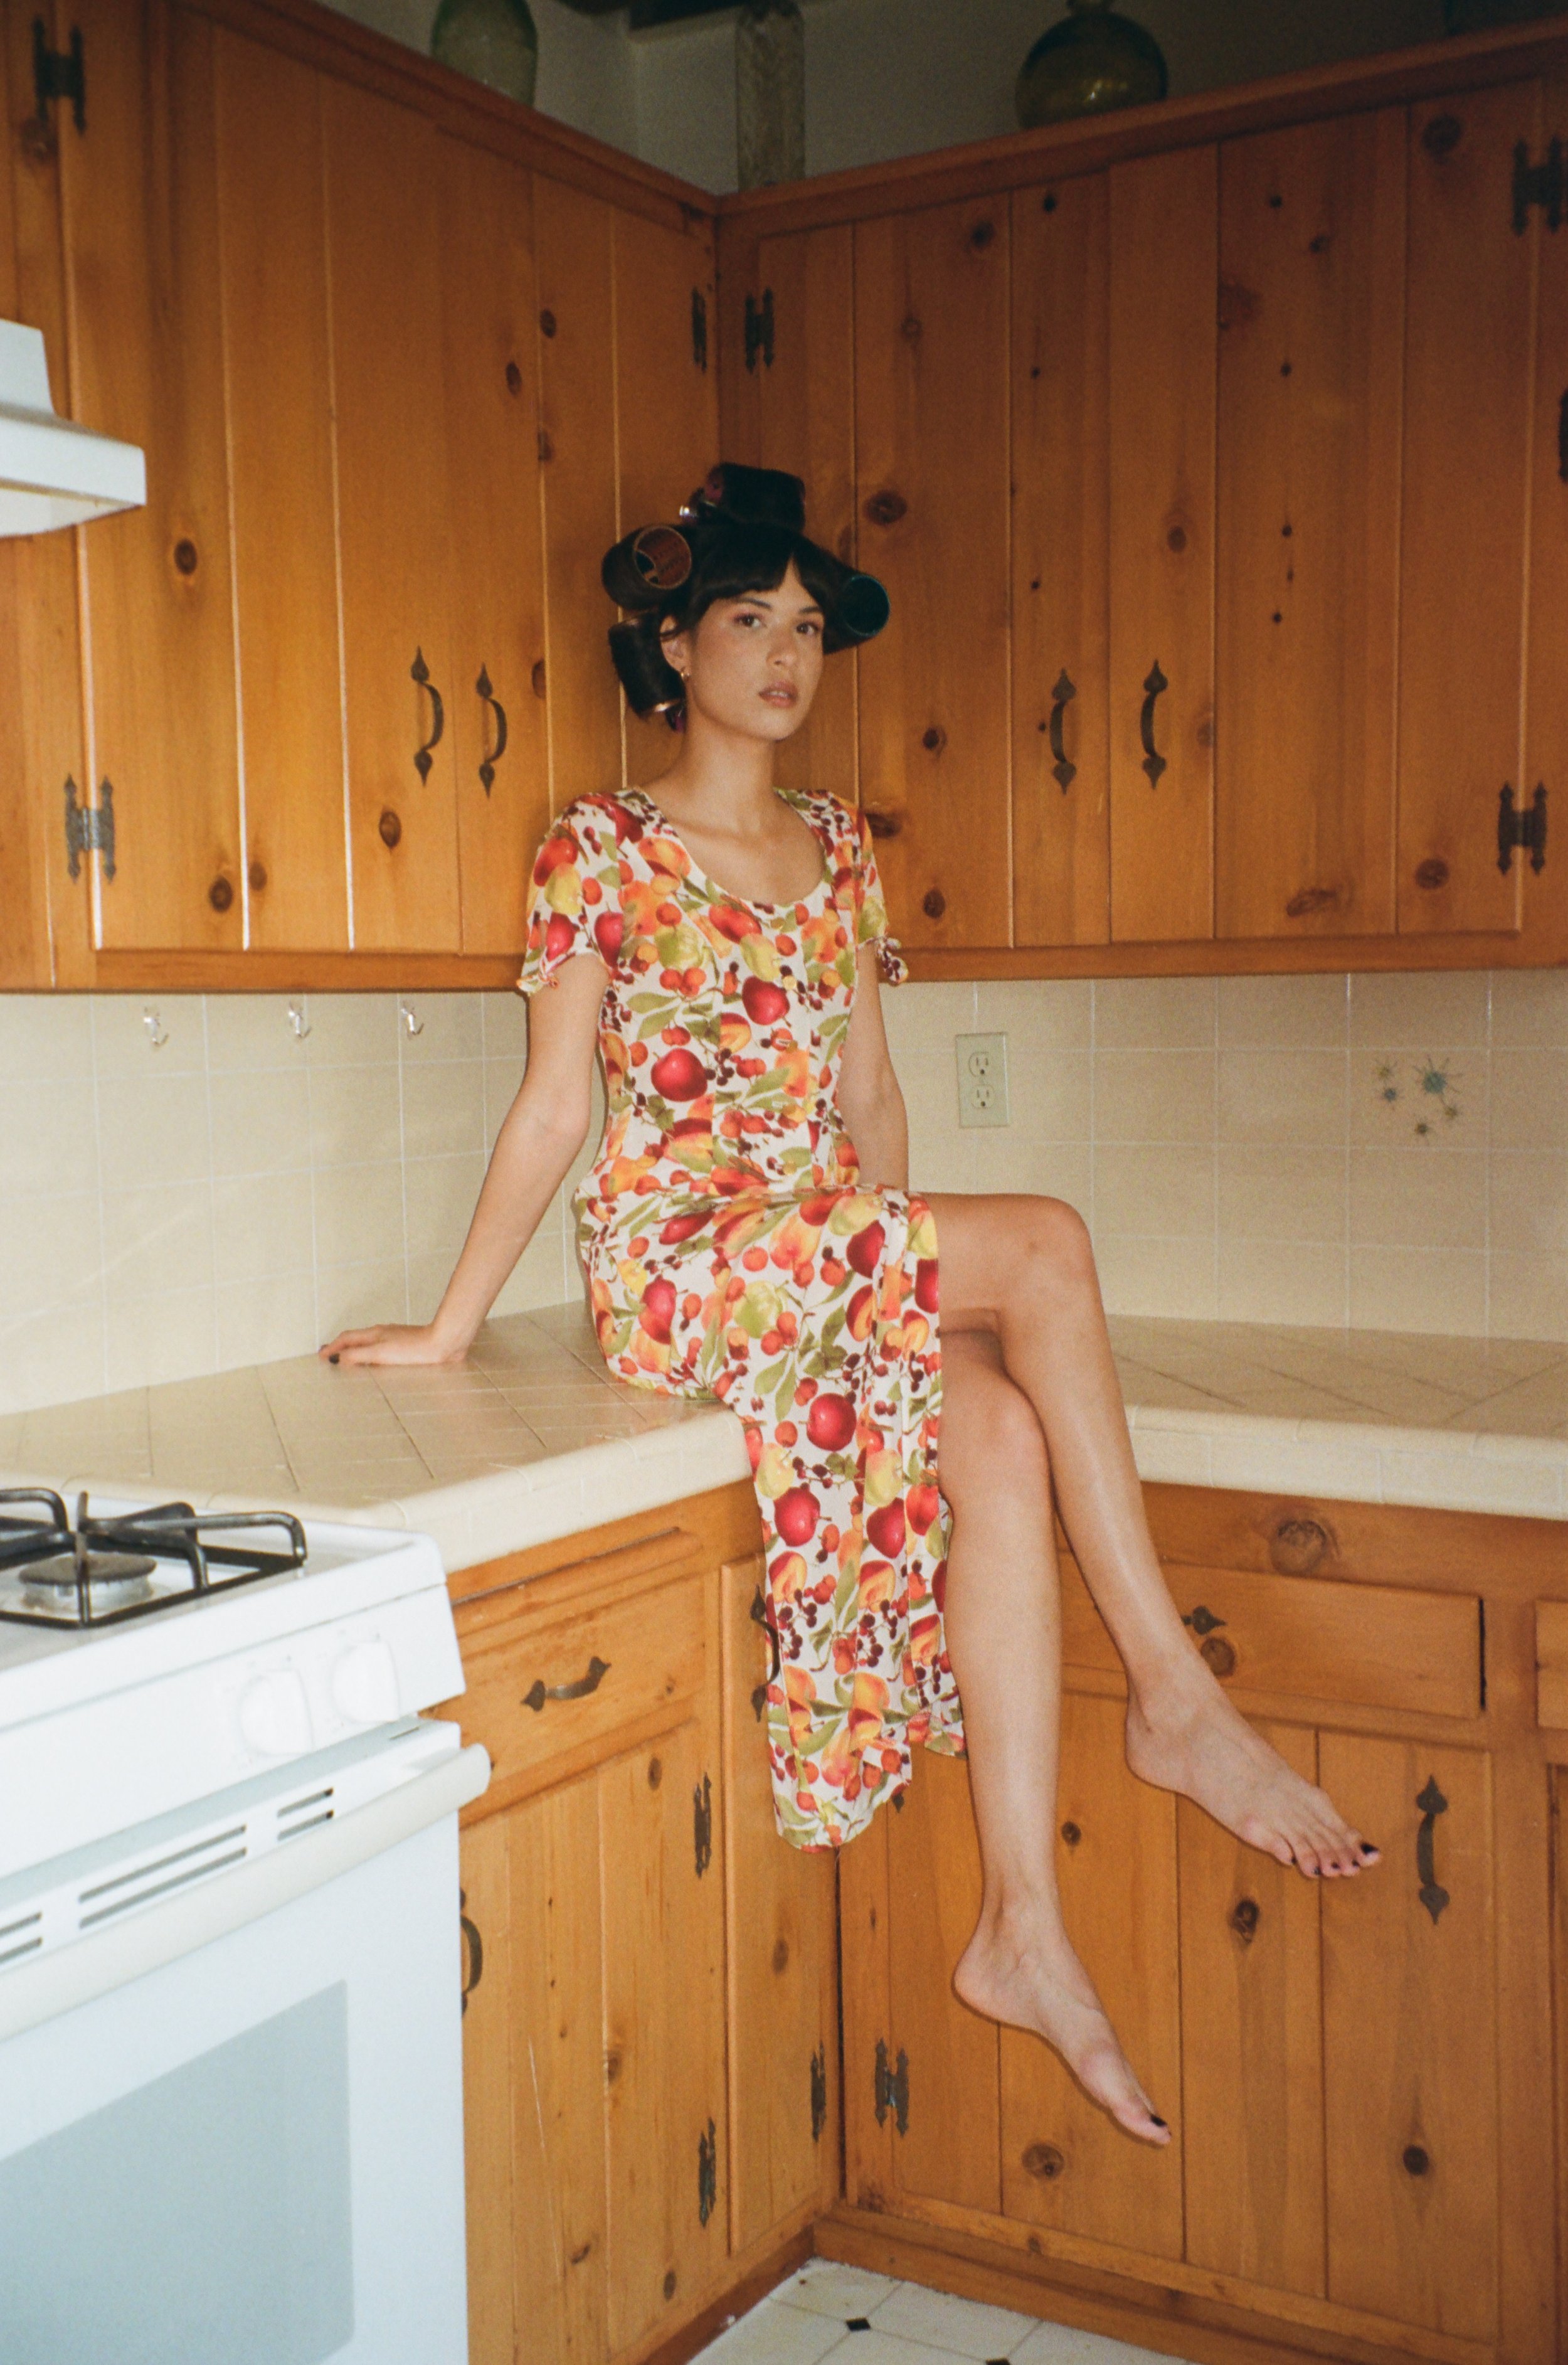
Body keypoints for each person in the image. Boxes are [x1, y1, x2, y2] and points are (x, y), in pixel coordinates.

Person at [321, 462, 1380, 2147]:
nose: (787, 652)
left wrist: (916, 1288)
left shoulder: (835, 845)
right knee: (1044, 1241)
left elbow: (871, 1105)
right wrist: (451, 1327)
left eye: (808, 627)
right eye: (752, 619)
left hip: (818, 1252)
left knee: (1001, 1429)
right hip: (683, 1261)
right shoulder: (598, 842)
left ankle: (1018, 1923)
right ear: (672, 643)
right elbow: (554, 1108)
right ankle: (1177, 1698)